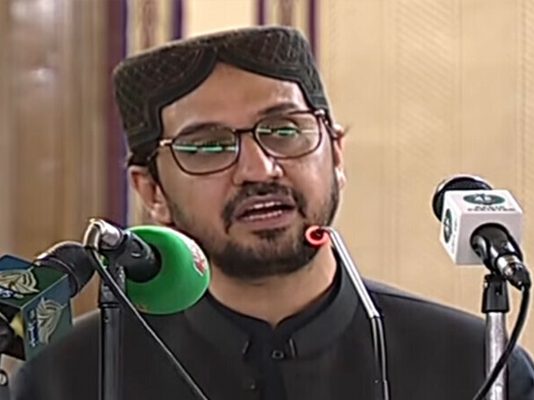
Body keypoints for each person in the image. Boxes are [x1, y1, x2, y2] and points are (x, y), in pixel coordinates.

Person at [10, 26, 534, 400]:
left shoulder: (476, 366)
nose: (259, 168)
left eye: (284, 131)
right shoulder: (69, 377)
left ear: (336, 155)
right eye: (208, 146)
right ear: (152, 189)